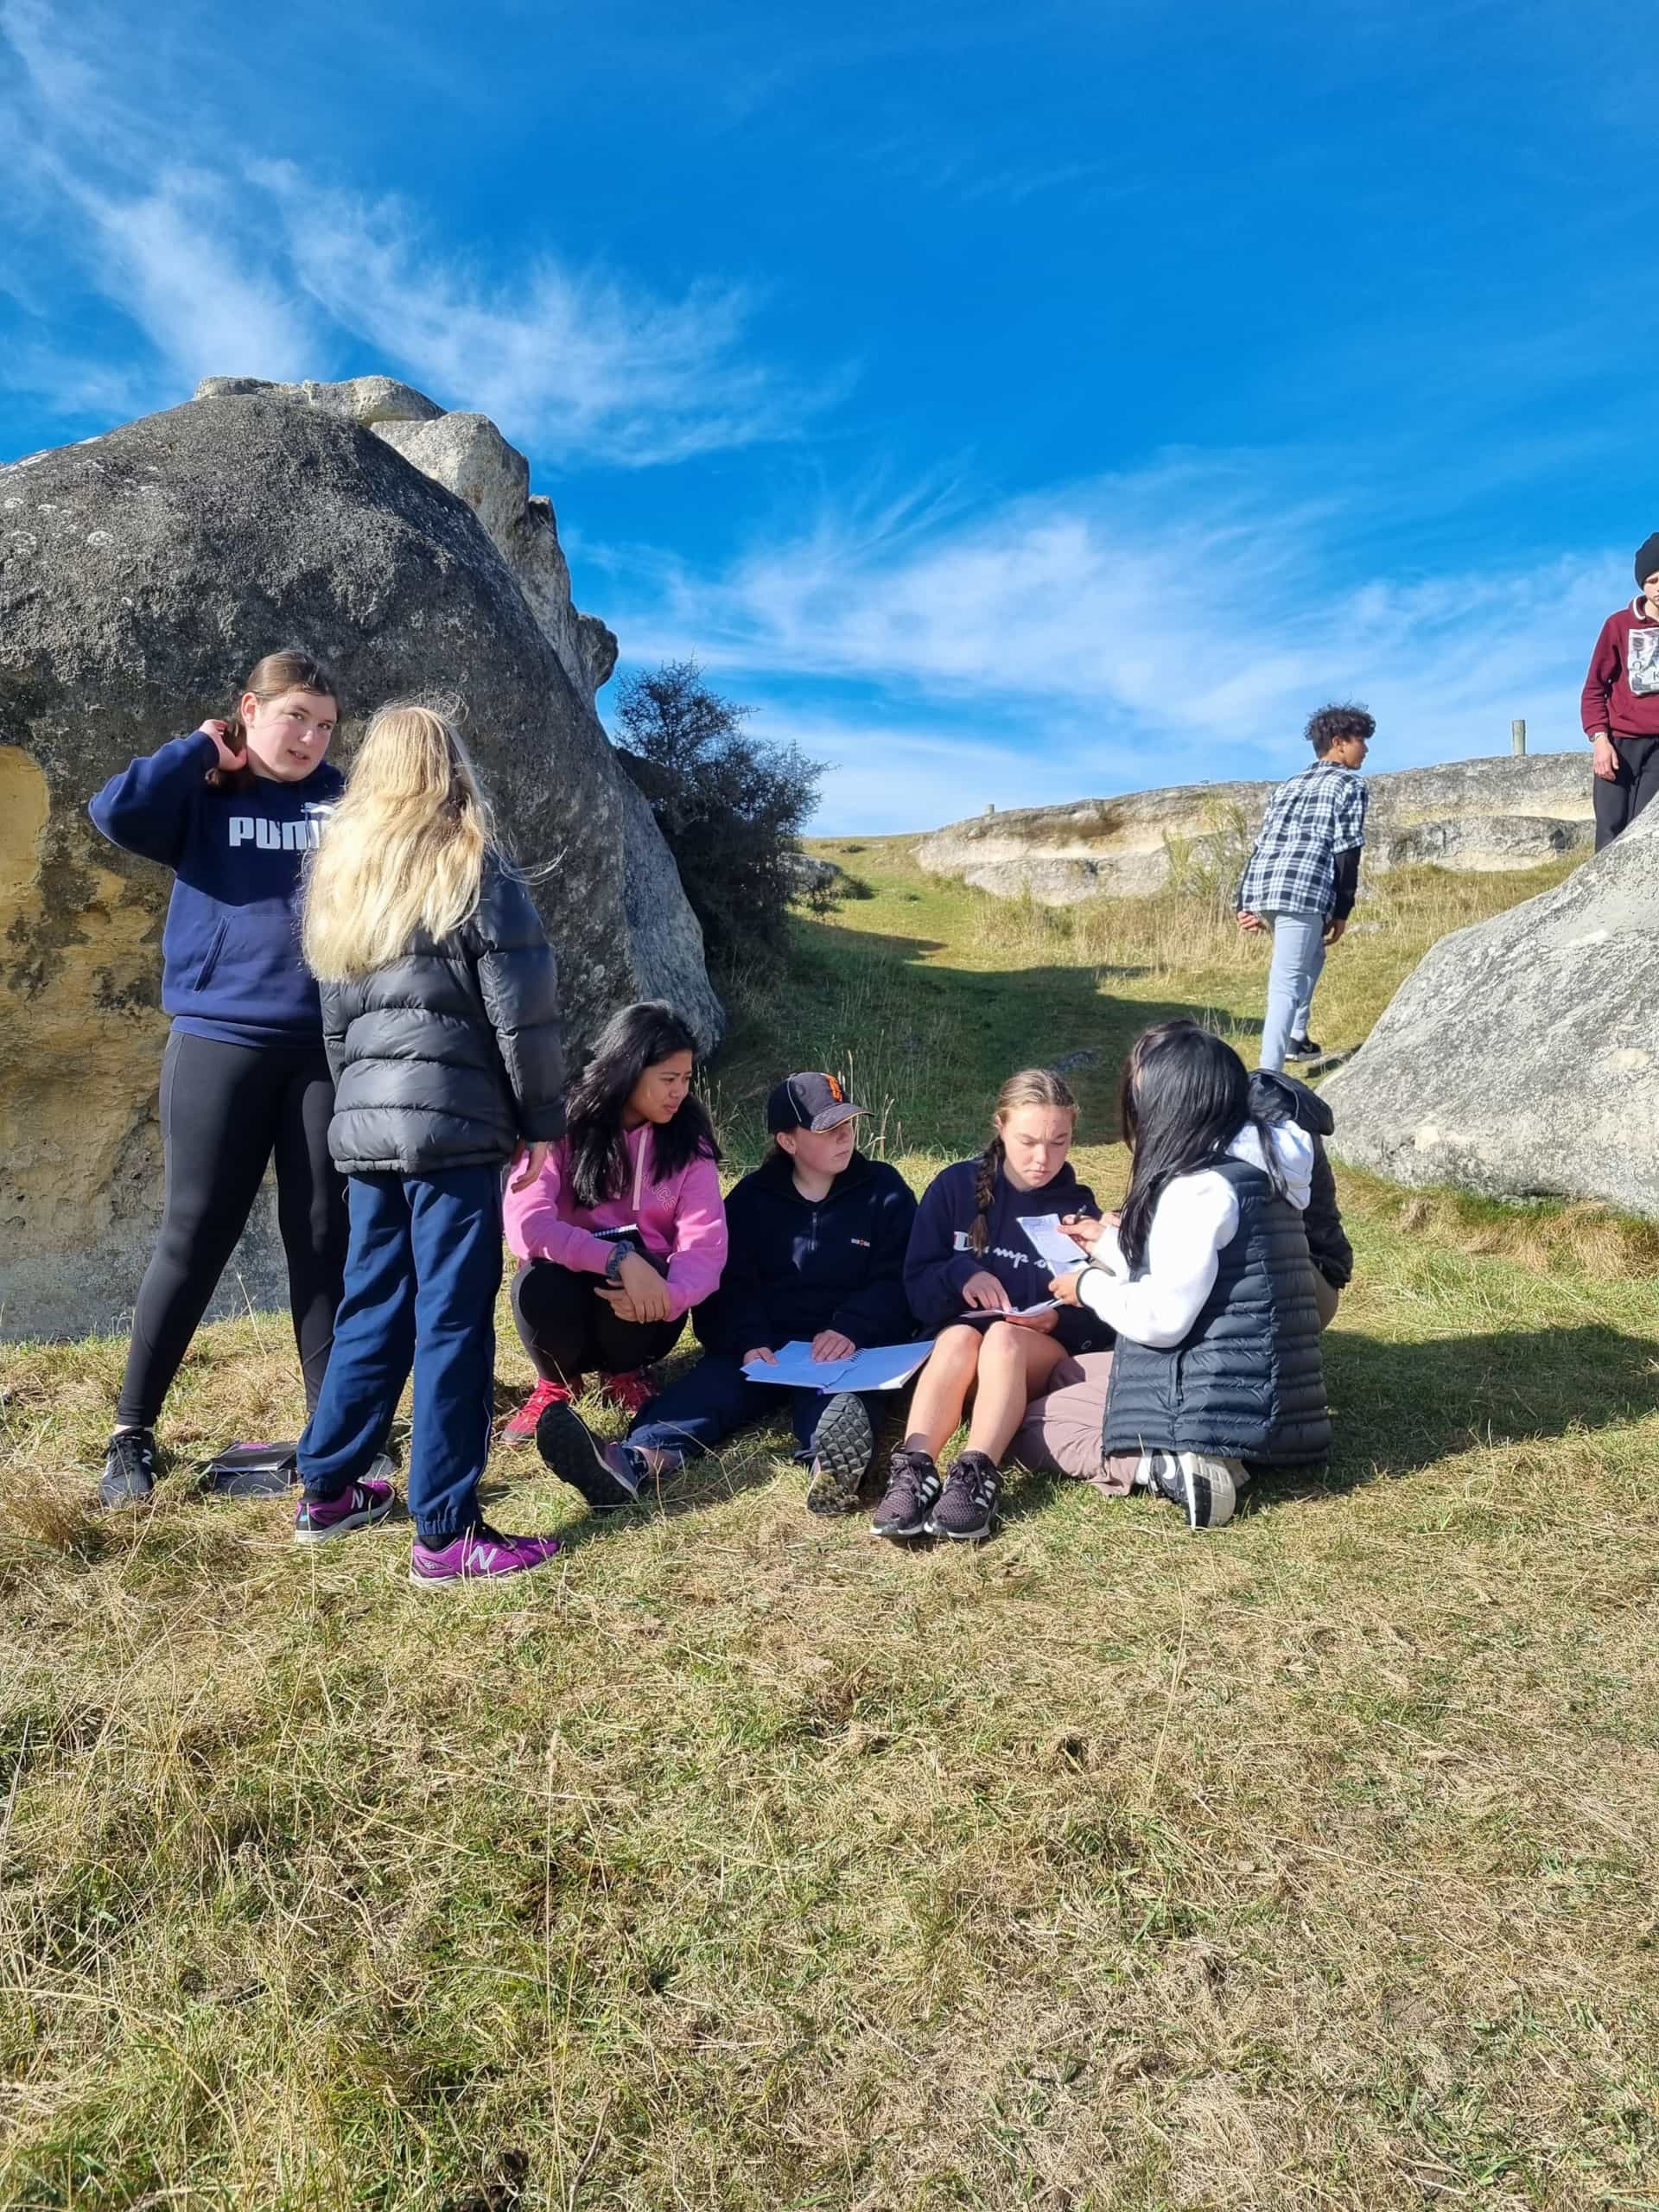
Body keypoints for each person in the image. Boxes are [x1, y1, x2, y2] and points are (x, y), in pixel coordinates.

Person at [291, 702, 567, 1586]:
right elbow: (524, 1016)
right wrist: (540, 1122)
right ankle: (446, 1534)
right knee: (453, 1318)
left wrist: (359, 1113)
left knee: (371, 1302)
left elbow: (336, 1029)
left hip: (369, 1127)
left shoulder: (345, 876)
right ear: (449, 767)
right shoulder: (473, 865)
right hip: (454, 1128)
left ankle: (329, 1489)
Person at [86, 648, 349, 1510]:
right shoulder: (205, 790)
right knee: (195, 1233)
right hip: (218, 1040)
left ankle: (334, 1430)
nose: (309, 737)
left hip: (322, 1050)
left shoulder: (344, 801)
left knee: (323, 1234)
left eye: (325, 724)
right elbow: (114, 812)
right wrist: (202, 747)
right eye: (295, 716)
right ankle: (131, 1432)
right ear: (251, 708)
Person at [537, 1071, 916, 1517]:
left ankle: (830, 1472)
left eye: (848, 1124)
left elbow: (900, 1277)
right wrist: (747, 1341)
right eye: (827, 1129)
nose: (845, 1136)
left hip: (846, 1352)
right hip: (764, 1350)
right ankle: (631, 1462)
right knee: (703, 1396)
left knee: (843, 1408)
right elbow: (725, 1284)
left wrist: (853, 1327)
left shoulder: (884, 1191)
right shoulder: (749, 1201)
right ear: (788, 1141)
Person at [1014, 1063, 1351, 1502]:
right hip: (1272, 1371)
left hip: (1220, 1384)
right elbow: (1194, 1268)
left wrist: (1088, 1286)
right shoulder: (1257, 1158)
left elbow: (1163, 1318)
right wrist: (1109, 1244)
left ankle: (1169, 1464)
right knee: (1066, 1374)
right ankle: (1210, 1447)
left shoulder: (1201, 1184)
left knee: (1032, 1426)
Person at [871, 1069, 1107, 1544]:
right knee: (960, 1336)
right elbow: (917, 1290)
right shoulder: (954, 1188)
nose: (1043, 1159)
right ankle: (915, 1470)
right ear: (1000, 1126)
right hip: (955, 1359)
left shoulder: (1078, 1210)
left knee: (1002, 1337)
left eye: (1059, 1143)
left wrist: (1058, 1317)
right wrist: (961, 1275)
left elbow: (1103, 1315)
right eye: (1028, 1142)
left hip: (1030, 1359)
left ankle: (976, 1474)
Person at [500, 1002, 726, 1437]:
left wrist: (669, 1295)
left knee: (652, 1269)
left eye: (686, 1079)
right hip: (563, 1296)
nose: (679, 1092)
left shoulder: (689, 1144)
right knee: (538, 1281)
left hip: (643, 1313)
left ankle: (626, 1375)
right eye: (668, 1079)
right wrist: (618, 1258)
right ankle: (556, 1384)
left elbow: (705, 1247)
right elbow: (526, 1226)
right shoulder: (560, 1126)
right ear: (628, 1068)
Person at [1236, 702, 1374, 1071]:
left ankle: (1297, 1037)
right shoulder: (1350, 784)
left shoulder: (1287, 786)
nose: (1365, 748)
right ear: (1339, 742)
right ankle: (1268, 1074)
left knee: (1312, 956)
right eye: (1360, 740)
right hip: (1304, 890)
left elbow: (1262, 843)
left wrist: (1243, 902)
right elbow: (1347, 850)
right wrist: (1343, 910)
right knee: (1286, 981)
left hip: (1265, 886)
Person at [1580, 532, 1659, 849]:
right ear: (1642, 584)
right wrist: (1600, 740)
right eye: (1653, 581)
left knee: (1645, 835)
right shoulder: (1618, 625)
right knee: (1610, 832)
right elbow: (1593, 689)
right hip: (1620, 744)